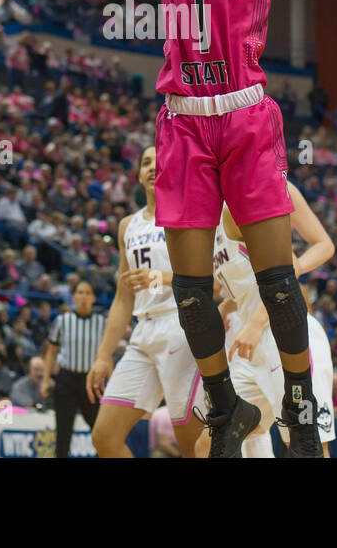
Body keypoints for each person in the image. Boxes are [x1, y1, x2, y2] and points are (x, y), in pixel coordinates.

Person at [88, 0, 319, 456]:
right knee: (191, 287)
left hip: (245, 115)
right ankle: (223, 405)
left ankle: (301, 411)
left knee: (277, 279)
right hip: (184, 118)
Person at [196, 180, 337, 458]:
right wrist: (229, 303)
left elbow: (294, 264)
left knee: (308, 445)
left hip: (283, 332)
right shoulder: (204, 219)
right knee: (210, 443)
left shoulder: (252, 195)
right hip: (250, 344)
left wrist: (257, 322)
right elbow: (249, 278)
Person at [87, 146, 202, 458]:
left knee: (191, 445)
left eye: (160, 161)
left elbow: (213, 281)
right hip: (142, 331)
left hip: (182, 326)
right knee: (104, 438)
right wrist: (103, 356)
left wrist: (161, 278)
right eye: (146, 163)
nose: (152, 167)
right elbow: (124, 296)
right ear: (138, 175)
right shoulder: (128, 225)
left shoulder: (191, 212)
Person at [42, 280, 106, 458]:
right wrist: (46, 380)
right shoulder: (62, 321)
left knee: (99, 431)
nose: (84, 296)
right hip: (66, 380)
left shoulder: (102, 323)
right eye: (80, 292)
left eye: (87, 293)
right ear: (74, 297)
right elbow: (51, 353)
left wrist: (112, 381)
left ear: (93, 298)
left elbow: (106, 356)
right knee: (63, 431)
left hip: (91, 381)